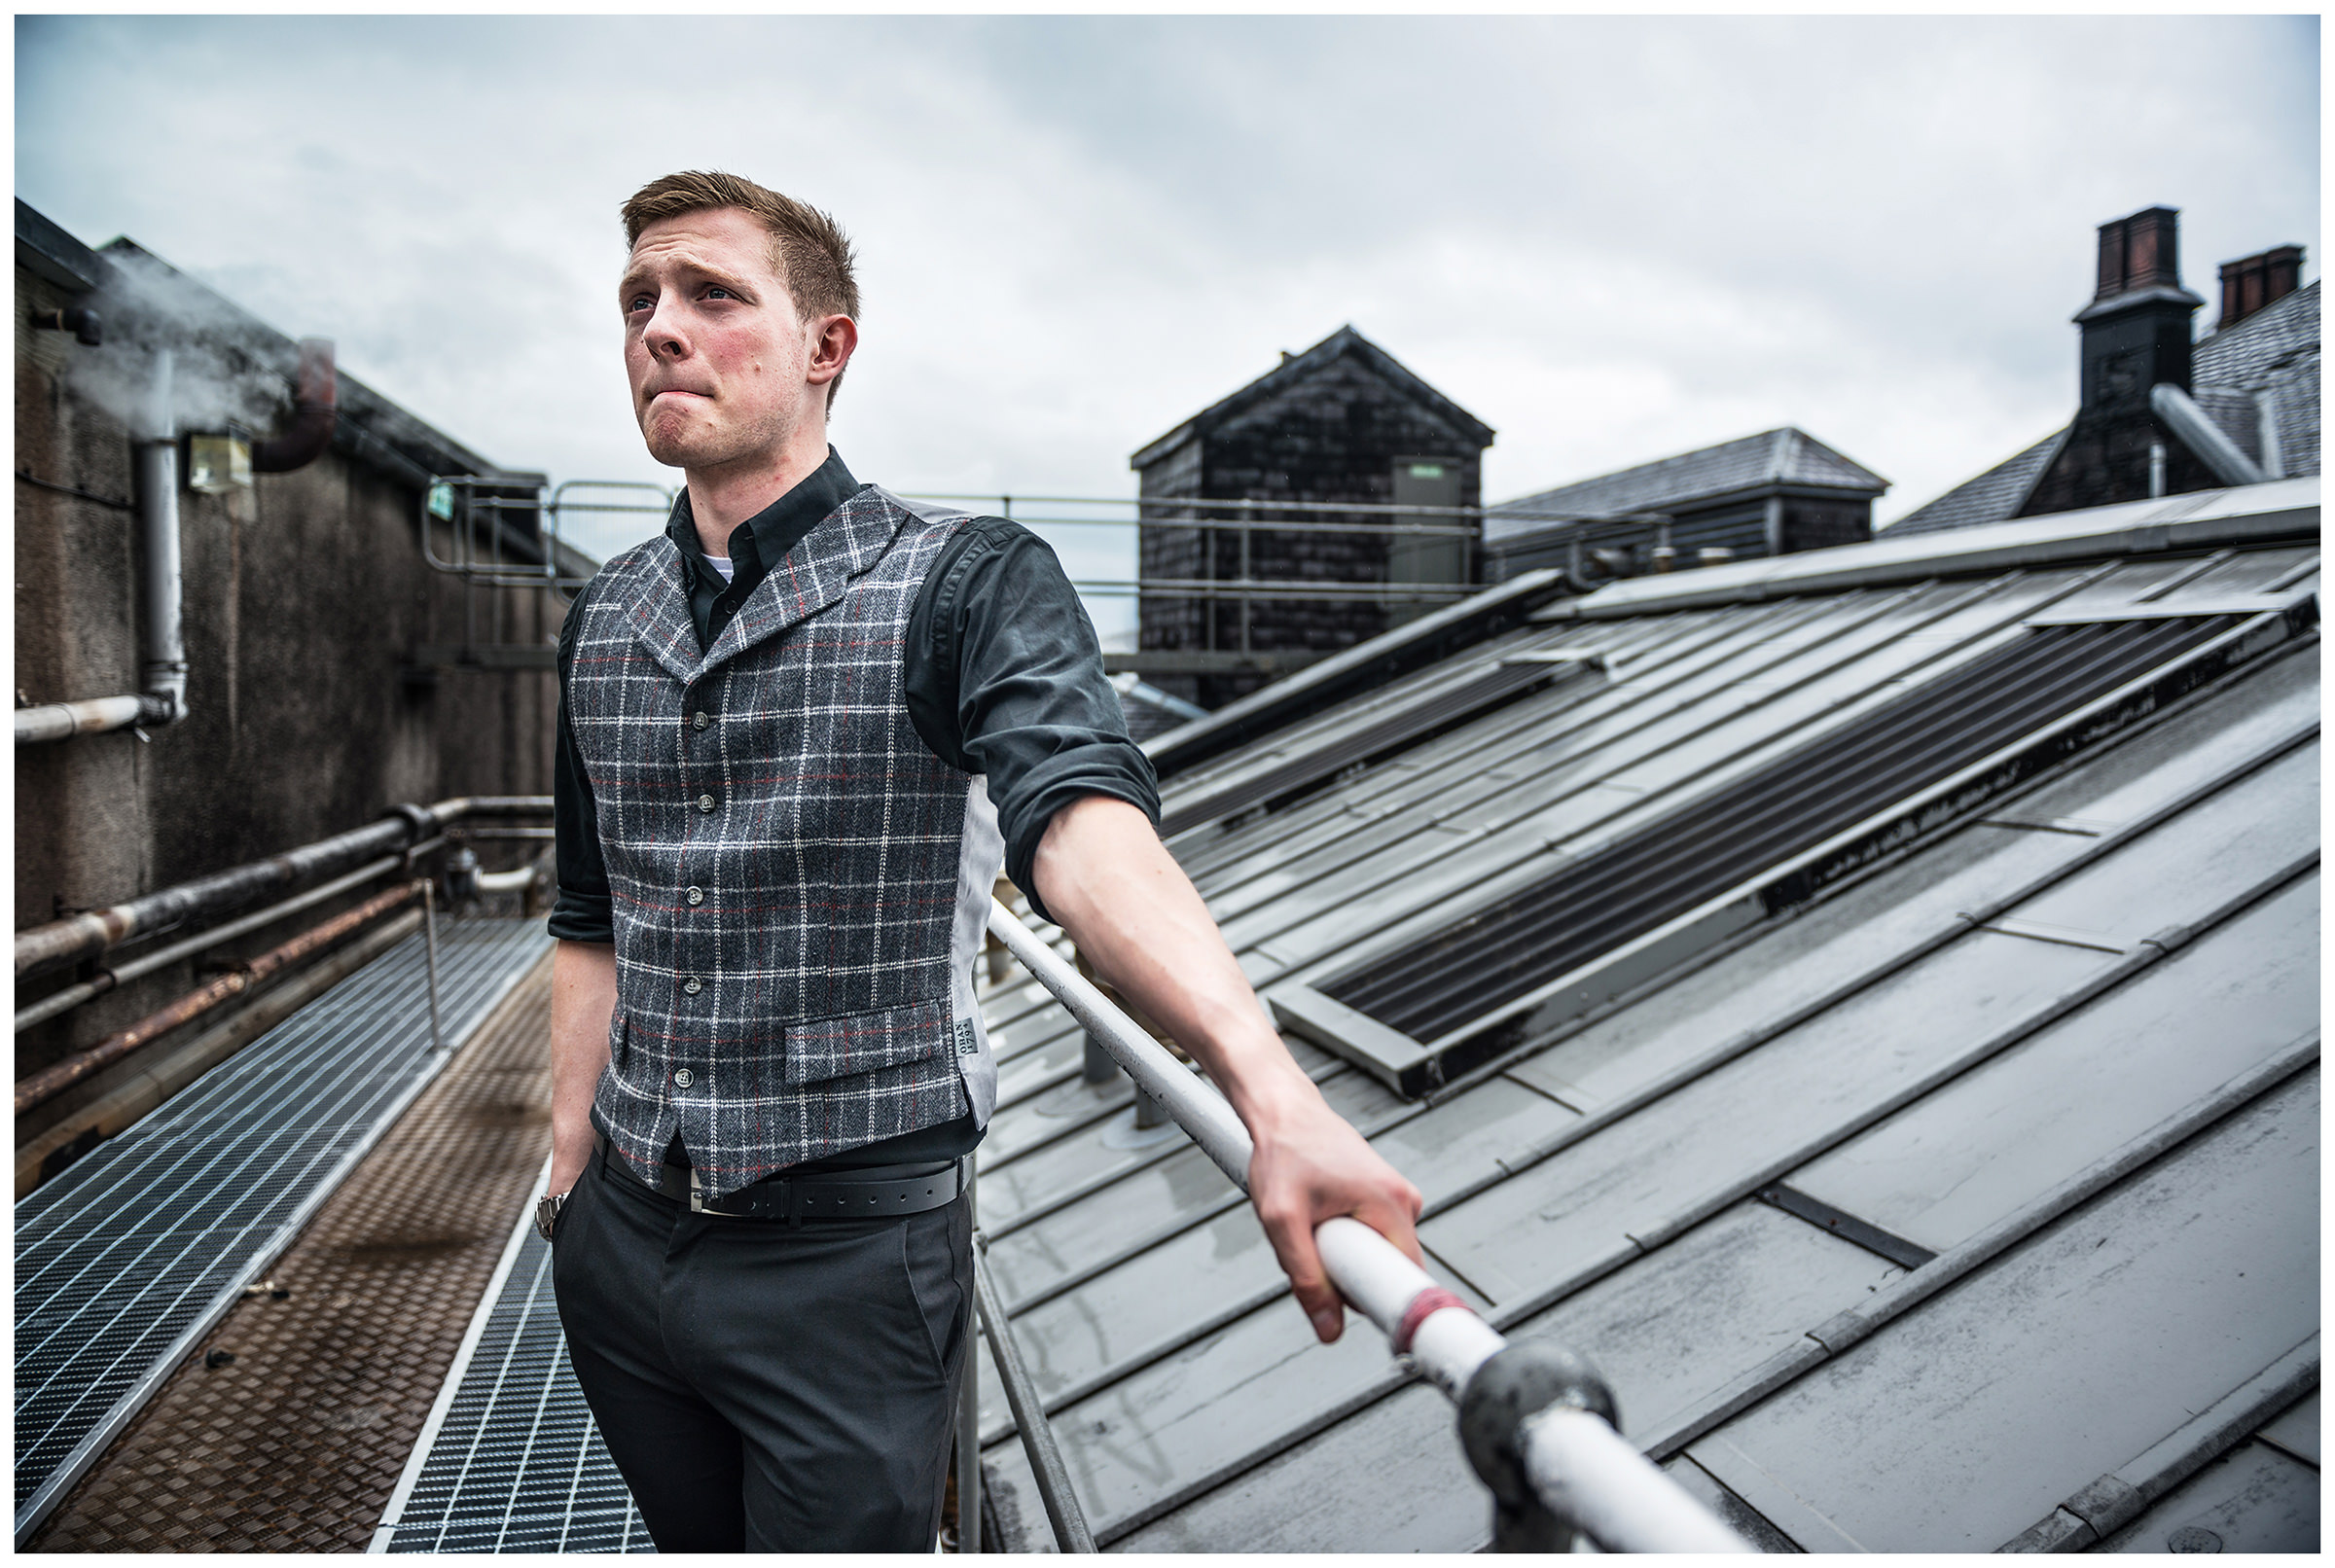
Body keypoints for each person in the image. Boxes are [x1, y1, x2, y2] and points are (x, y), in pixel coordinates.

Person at [543, 169, 1422, 1552]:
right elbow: (589, 915)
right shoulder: (605, 616)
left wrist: (1271, 1092)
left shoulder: (968, 578)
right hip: (623, 1249)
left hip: (847, 1265)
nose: (662, 326)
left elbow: (1079, 824)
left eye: (714, 295)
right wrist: (566, 1176)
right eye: (640, 299)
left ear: (827, 346)